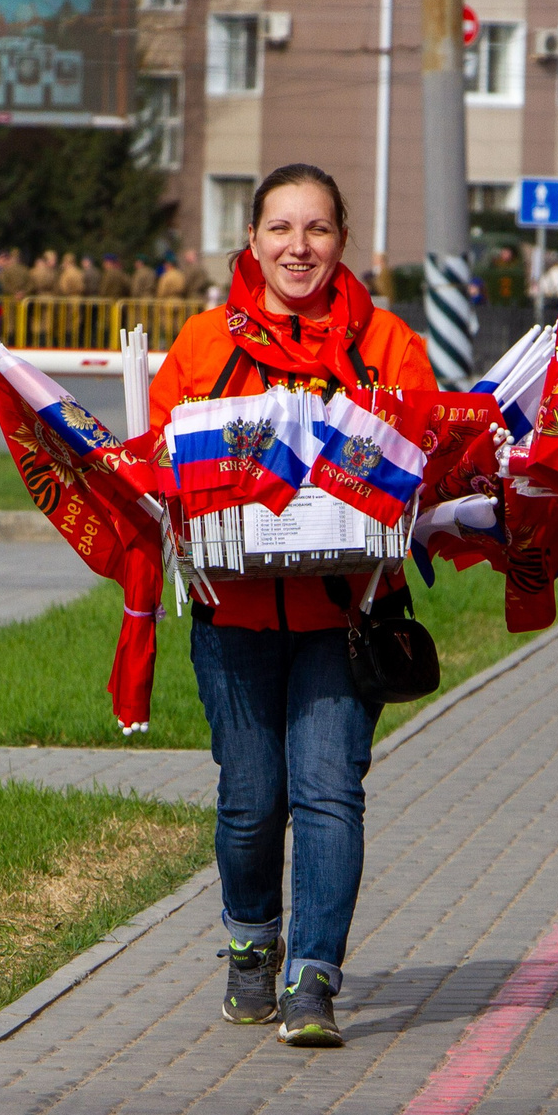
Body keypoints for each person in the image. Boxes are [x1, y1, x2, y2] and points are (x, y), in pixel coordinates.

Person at [149, 163, 434, 1048]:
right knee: (249, 801)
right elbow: (161, 462)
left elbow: (420, 460)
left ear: (342, 241)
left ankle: (314, 976)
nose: (298, 247)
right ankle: (249, 942)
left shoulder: (390, 345)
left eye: (316, 229)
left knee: (328, 795)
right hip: (231, 614)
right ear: (253, 240)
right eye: (280, 228)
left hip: (343, 619)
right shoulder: (202, 344)